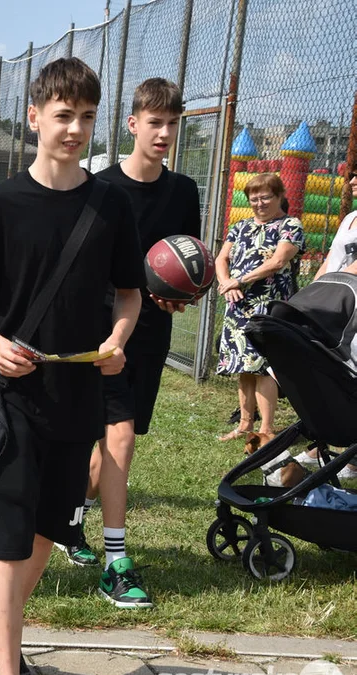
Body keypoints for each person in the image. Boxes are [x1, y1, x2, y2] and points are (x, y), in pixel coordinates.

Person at [0, 57, 144, 675]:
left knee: (48, 531)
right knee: (9, 532)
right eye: (63, 115)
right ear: (34, 117)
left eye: (86, 117)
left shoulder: (109, 203)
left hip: (76, 397)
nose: (74, 128)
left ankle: (1, 629)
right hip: (9, 399)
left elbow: (128, 294)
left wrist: (117, 341)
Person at [59, 78, 202, 610]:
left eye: (173, 124)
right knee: (108, 436)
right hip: (100, 330)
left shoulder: (183, 191)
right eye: (155, 122)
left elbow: (187, 260)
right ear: (133, 124)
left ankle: (71, 520)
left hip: (151, 332)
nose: (164, 133)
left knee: (119, 439)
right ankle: (109, 551)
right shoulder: (101, 186)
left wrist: (177, 294)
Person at [216, 172, 304, 440]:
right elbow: (222, 258)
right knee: (242, 365)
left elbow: (278, 262)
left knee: (263, 366)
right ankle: (245, 425)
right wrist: (226, 283)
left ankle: (266, 428)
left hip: (269, 305)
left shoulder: (290, 225)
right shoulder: (240, 226)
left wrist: (238, 282)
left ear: (280, 197)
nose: (260, 203)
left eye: (266, 197)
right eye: (254, 198)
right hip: (238, 305)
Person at [314, 167, 357, 280]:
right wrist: (313, 288)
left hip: (347, 291)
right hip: (331, 289)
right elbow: (329, 261)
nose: (352, 182)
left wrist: (331, 287)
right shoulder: (350, 217)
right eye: (352, 176)